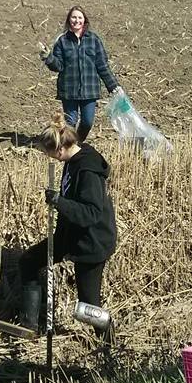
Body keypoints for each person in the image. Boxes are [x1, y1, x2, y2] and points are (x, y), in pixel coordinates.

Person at [18, 112, 117, 340]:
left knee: (88, 308)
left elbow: (91, 213)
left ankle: (110, 343)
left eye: (50, 154)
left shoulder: (88, 170)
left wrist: (59, 202)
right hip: (69, 235)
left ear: (60, 149)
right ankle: (30, 326)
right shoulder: (73, 160)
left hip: (92, 243)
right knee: (29, 261)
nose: (50, 158)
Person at [39, 5, 123, 142]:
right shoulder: (62, 40)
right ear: (69, 20)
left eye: (79, 17)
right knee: (71, 122)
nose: (76, 20)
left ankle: (77, 142)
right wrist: (48, 57)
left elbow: (102, 66)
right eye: (73, 17)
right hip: (69, 90)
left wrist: (113, 86)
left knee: (87, 122)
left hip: (89, 90)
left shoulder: (94, 40)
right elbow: (58, 66)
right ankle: (69, 147)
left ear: (84, 20)